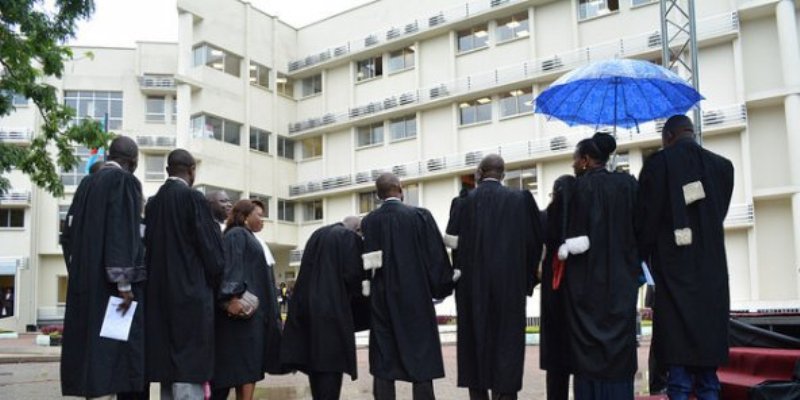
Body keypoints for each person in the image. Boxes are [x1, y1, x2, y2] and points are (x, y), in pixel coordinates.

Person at [637, 114, 734, 400]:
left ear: (668, 137)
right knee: (708, 375)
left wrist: (638, 257)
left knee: (678, 373)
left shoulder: (657, 165)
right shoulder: (723, 167)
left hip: (674, 274)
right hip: (712, 274)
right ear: (690, 132)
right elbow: (717, 213)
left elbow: (647, 224)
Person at [445, 155, 544, 400]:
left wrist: (458, 277)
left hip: (472, 288)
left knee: (474, 342)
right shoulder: (521, 200)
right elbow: (535, 243)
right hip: (510, 285)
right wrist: (527, 280)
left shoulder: (462, 202)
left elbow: (453, 244)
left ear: (479, 173)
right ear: (503, 174)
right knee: (507, 342)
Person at [60, 136, 147, 399]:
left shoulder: (86, 184)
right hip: (112, 288)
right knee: (113, 355)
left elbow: (68, 233)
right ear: (133, 160)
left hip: (85, 281)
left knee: (91, 352)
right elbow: (123, 233)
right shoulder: (125, 181)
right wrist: (124, 283)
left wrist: (78, 271)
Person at [361, 173, 458, 400]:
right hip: (416, 298)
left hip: (382, 300)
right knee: (420, 356)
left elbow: (366, 263)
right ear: (400, 189)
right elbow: (435, 257)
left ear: (378, 195)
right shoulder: (419, 216)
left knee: (384, 360)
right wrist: (442, 285)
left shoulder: (370, 221)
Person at [561, 133, 639, 400]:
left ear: (585, 160)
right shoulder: (629, 185)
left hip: (585, 288)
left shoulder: (575, 189)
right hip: (621, 283)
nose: (573, 164)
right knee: (620, 347)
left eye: (575, 158)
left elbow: (564, 236)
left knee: (587, 352)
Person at [144, 149, 225, 400]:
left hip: (159, 297)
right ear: (192, 171)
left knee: (168, 370)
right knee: (189, 368)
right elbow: (211, 253)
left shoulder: (153, 204)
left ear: (167, 170)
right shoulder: (193, 198)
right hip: (191, 296)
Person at [281, 216, 367, 400]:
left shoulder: (317, 234)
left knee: (315, 364)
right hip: (332, 311)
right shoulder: (349, 238)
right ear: (357, 230)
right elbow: (353, 275)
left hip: (307, 309)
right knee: (330, 367)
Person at [212, 199, 282, 400]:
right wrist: (232, 297)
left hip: (252, 316)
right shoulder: (237, 234)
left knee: (248, 367)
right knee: (245, 366)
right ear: (244, 217)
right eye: (258, 215)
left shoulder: (248, 236)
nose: (262, 220)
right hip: (242, 316)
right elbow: (233, 268)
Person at [540, 175, 577, 400]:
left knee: (556, 364)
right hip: (578, 293)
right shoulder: (581, 217)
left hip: (552, 290)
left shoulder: (545, 217)